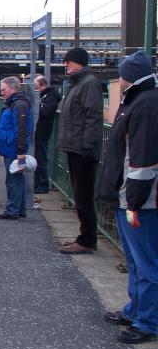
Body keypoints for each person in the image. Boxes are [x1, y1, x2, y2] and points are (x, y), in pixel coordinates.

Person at [97, 50, 158, 344]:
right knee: (134, 261)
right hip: (127, 198)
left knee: (146, 263)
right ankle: (135, 310)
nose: (119, 80)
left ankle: (147, 322)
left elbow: (143, 161)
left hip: (140, 202)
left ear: (130, 77)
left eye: (121, 75)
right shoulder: (137, 100)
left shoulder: (145, 105)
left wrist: (133, 201)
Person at [56, 47, 103, 254]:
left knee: (84, 196)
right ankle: (84, 236)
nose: (65, 64)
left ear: (79, 62)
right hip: (75, 148)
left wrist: (86, 147)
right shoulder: (78, 84)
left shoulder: (88, 84)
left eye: (69, 61)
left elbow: (93, 117)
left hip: (82, 151)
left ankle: (87, 240)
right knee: (80, 195)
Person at [0, 76, 33, 220]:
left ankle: (12, 210)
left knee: (13, 180)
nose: (2, 93)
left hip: (15, 151)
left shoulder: (18, 106)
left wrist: (21, 151)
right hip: (12, 149)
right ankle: (20, 209)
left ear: (12, 88)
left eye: (3, 90)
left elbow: (21, 130)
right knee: (17, 177)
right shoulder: (14, 104)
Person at [33, 75, 62, 195]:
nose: (36, 90)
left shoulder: (50, 97)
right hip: (40, 130)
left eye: (37, 87)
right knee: (38, 158)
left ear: (43, 85)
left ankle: (44, 185)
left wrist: (35, 107)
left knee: (41, 158)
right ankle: (38, 183)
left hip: (42, 131)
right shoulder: (46, 96)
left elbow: (45, 111)